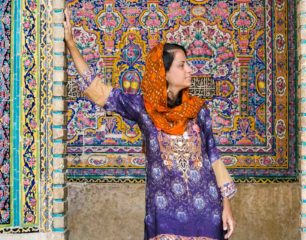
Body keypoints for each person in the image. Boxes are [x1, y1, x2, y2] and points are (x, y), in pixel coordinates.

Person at [64, 8, 236, 240]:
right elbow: (98, 91)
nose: (189, 70)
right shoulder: (143, 108)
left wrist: (226, 206)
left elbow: (213, 157)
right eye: (182, 65)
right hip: (164, 213)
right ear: (163, 72)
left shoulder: (198, 110)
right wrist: (71, 44)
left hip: (206, 213)